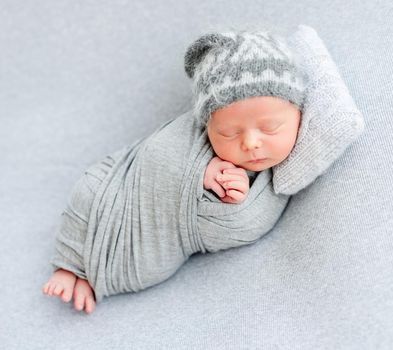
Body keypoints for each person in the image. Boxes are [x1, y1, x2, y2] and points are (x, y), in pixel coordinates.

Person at [42, 29, 306, 314]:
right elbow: (158, 153)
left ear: (299, 115)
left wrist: (229, 199)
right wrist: (199, 173)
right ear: (208, 126)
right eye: (228, 133)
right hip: (124, 182)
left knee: (149, 263)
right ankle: (69, 265)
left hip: (159, 236)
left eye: (270, 128)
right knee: (90, 188)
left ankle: (91, 277)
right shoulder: (193, 137)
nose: (251, 143)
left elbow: (227, 227)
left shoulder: (278, 178)